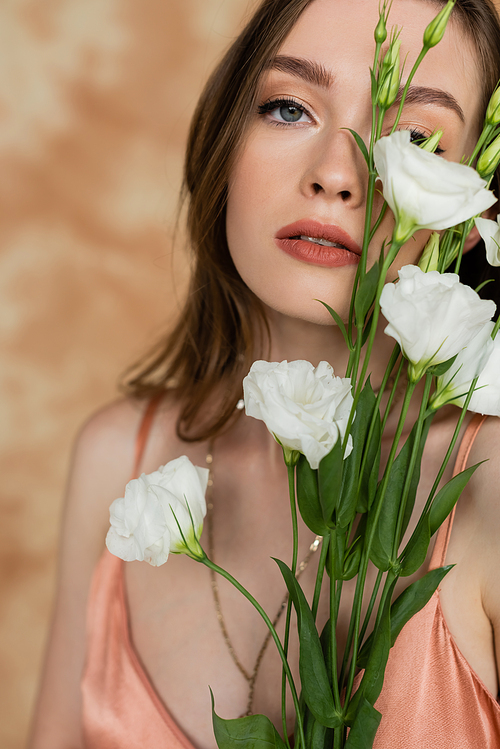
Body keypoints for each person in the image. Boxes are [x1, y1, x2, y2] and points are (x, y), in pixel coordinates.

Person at [29, 0, 500, 747]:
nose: (338, 175)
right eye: (288, 107)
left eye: (414, 137)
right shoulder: (118, 460)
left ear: (477, 210)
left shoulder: (488, 488)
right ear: (226, 136)